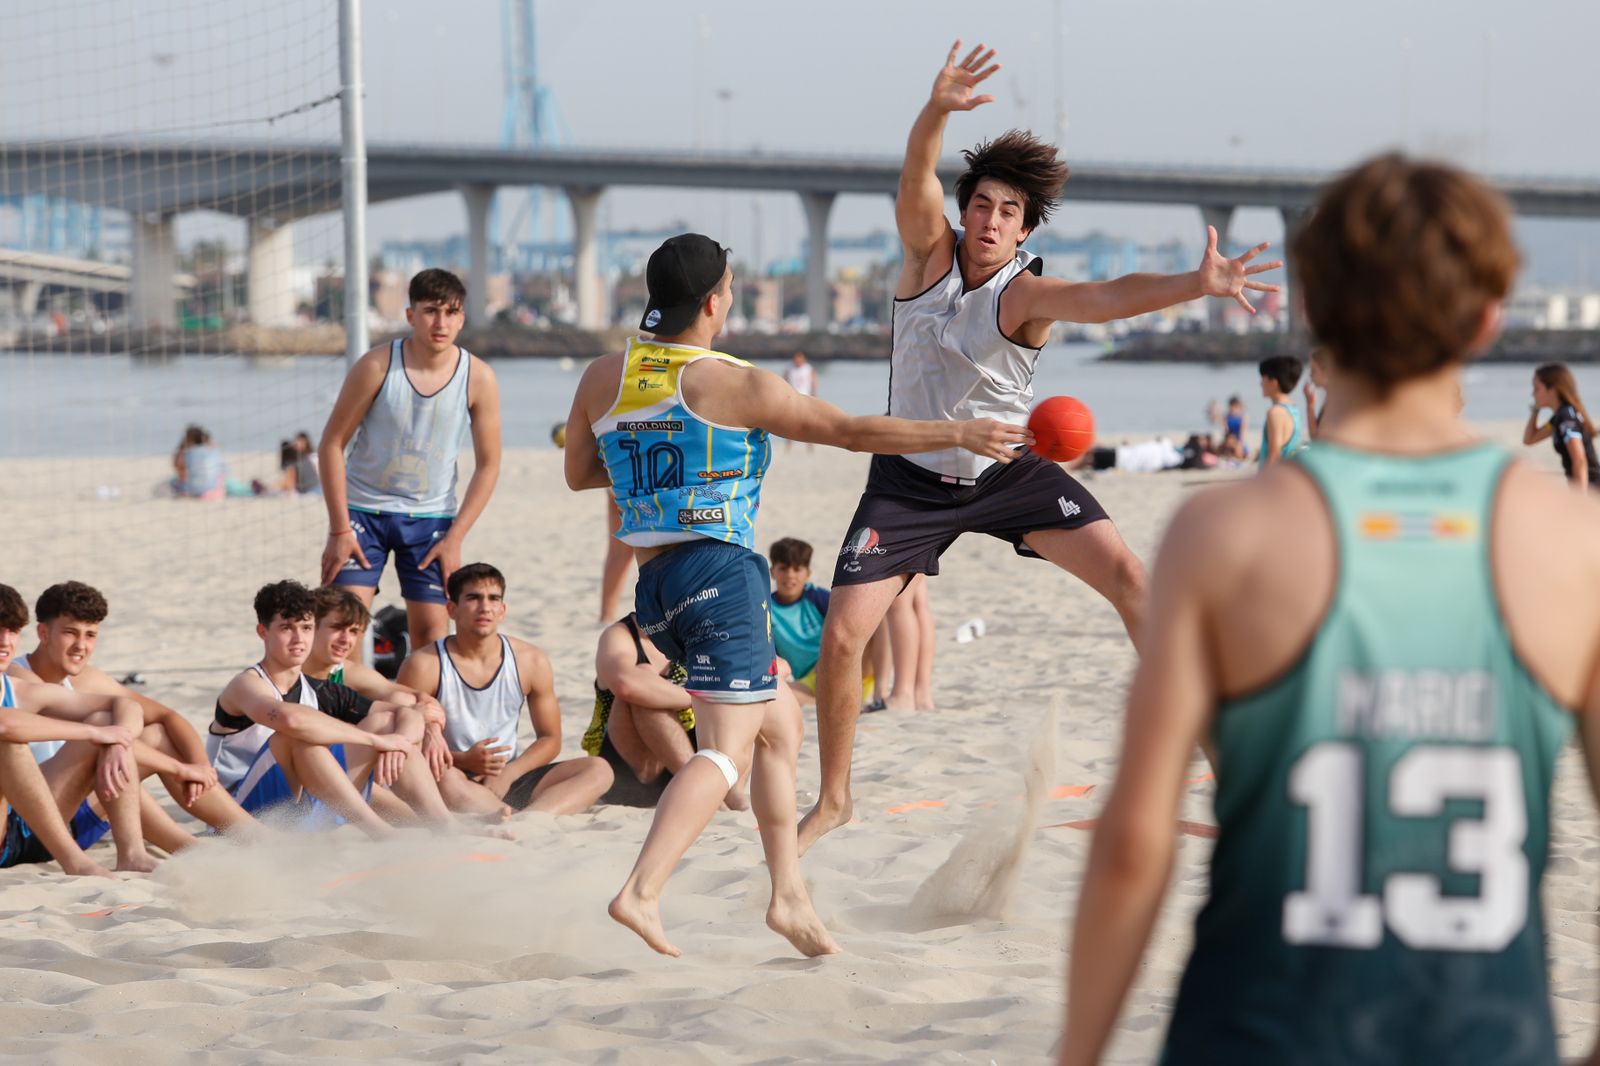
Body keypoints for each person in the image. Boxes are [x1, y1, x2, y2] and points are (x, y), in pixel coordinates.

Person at [1059, 154, 1599, 1065]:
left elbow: (1133, 841)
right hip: (1485, 1034)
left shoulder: (1222, 534)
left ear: (1311, 311)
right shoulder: (1571, 540)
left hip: (1257, 1031)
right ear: (1487, 320)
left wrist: (1078, 1053)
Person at [799, 41, 1281, 853]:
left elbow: (1107, 297)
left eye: (1009, 213)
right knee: (843, 637)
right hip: (909, 481)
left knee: (1133, 577)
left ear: (1026, 228)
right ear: (968, 210)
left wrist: (1196, 285)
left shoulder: (1025, 291)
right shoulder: (926, 259)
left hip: (1007, 474)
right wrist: (935, 110)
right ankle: (837, 798)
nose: (991, 222)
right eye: (982, 205)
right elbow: (913, 179)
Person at [564, 231, 1025, 957]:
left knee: (782, 722)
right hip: (718, 573)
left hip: (655, 585)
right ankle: (643, 890)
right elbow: (847, 431)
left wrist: (656, 475)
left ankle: (788, 898)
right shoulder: (733, 382)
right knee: (724, 754)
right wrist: (956, 430)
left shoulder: (601, 377)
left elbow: (581, 472)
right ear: (716, 300)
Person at [318, 268, 503, 659]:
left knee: (432, 640)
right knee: (342, 631)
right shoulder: (377, 366)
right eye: (431, 311)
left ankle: (423, 719)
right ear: (410, 315)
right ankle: (349, 718)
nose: (441, 322)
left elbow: (489, 465)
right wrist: (338, 528)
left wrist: (456, 537)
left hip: (431, 518)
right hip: (362, 514)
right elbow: (331, 444)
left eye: (451, 312)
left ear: (462, 318)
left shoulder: (479, 377)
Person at [12, 581, 262, 845]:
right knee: (106, 733)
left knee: (152, 735)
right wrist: (178, 768)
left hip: (80, 812)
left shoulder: (87, 679)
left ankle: (249, 832)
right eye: (70, 633)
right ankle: (187, 847)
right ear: (43, 633)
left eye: (90, 635)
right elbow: (98, 737)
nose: (81, 645)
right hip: (35, 823)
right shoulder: (19, 679)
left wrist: (200, 765)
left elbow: (168, 716)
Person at [210, 580, 457, 837]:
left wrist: (400, 742)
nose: (298, 638)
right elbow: (290, 721)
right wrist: (373, 740)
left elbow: (406, 711)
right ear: (263, 632)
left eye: (305, 628)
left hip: (302, 815)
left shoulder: (321, 688)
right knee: (298, 738)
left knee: (385, 722)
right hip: (241, 818)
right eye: (286, 628)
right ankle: (381, 832)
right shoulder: (246, 684)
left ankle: (445, 826)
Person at [396, 564, 613, 815]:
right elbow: (403, 739)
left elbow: (550, 738)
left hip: (508, 776)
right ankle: (506, 815)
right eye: (473, 598)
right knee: (444, 778)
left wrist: (508, 774)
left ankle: (527, 820)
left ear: (503, 610)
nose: (485, 607)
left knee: (598, 769)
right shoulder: (424, 664)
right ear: (452, 609)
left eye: (493, 598)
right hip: (450, 774)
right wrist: (463, 760)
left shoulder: (530, 660)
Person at [302, 586, 510, 822]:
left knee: (400, 712)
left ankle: (450, 822)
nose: (346, 639)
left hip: (339, 781)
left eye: (353, 631)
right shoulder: (287, 674)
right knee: (388, 726)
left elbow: (419, 700)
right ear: (309, 627)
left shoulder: (345, 671)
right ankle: (449, 822)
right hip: (299, 788)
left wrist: (430, 730)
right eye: (337, 628)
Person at [0, 583, 160, 876]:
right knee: (8, 743)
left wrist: (117, 742)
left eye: (12, 630)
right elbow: (5, 724)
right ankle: (76, 864)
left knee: (106, 721)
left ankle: (133, 854)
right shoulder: (20, 679)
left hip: (29, 831)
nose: (5, 641)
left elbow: (123, 704)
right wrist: (91, 733)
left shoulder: (17, 689)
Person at [584, 612, 710, 808]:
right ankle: (701, 788)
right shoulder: (620, 635)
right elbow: (625, 685)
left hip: (695, 749)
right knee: (642, 679)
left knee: (755, 692)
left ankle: (725, 790)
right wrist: (699, 699)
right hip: (629, 771)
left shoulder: (703, 630)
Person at [767, 537, 886, 707]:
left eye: (797, 569)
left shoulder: (818, 598)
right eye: (783, 569)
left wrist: (827, 660)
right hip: (809, 683)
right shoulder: (767, 609)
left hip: (847, 670)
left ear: (807, 573)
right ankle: (836, 706)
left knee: (877, 620)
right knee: (776, 694)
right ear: (772, 572)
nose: (790, 575)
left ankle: (880, 694)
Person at [1524, 363, 1599, 492]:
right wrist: (1535, 410)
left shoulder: (1566, 417)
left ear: (1552, 389)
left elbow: (1579, 461)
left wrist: (1579, 499)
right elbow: (1530, 439)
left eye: (1536, 389)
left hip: (1592, 491)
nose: (1532, 394)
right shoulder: (1558, 418)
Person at [1257, 355, 1305, 468]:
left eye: (1263, 378)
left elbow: (1274, 456)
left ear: (1274, 383)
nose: (1260, 383)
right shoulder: (1293, 409)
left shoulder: (1275, 412)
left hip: (1273, 481)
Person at [172, 424, 226, 500]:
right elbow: (223, 473)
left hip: (193, 491)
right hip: (216, 491)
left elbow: (182, 475)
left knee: (172, 482)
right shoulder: (214, 451)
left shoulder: (185, 453)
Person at [782, 353, 817, 452]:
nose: (797, 361)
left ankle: (810, 447)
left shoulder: (809, 369)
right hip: (792, 399)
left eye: (799, 359)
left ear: (803, 359)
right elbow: (783, 382)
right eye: (795, 359)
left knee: (808, 424)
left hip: (806, 398)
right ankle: (788, 447)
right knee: (790, 424)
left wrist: (814, 397)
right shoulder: (789, 369)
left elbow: (814, 384)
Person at [1303, 347, 1329, 441]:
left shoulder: (1336, 402)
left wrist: (1310, 405)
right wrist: (1310, 405)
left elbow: (1316, 438)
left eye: (1313, 370)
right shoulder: (1329, 398)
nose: (1310, 375)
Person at [1221, 395, 1249, 460]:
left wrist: (1239, 442)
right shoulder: (1226, 417)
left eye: (1234, 406)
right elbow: (1226, 431)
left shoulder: (1242, 417)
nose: (1232, 408)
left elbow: (1242, 433)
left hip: (1238, 439)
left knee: (1239, 451)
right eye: (1231, 406)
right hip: (1229, 439)